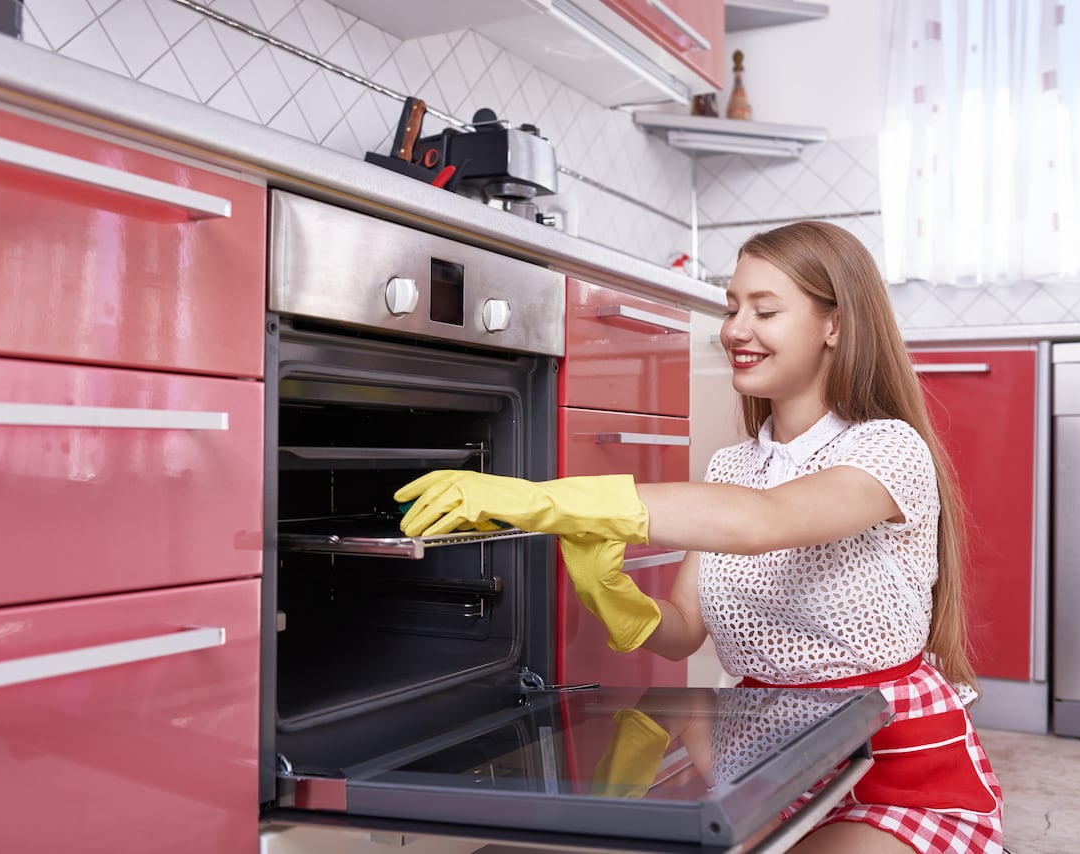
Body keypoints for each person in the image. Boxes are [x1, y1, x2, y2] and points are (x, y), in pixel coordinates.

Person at [394, 221, 1004, 853]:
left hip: (889, 763)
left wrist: (550, 500)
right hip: (766, 751)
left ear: (835, 325)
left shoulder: (886, 449)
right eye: (732, 307)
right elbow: (685, 625)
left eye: (765, 310)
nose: (736, 330)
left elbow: (764, 522)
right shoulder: (733, 469)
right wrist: (615, 594)